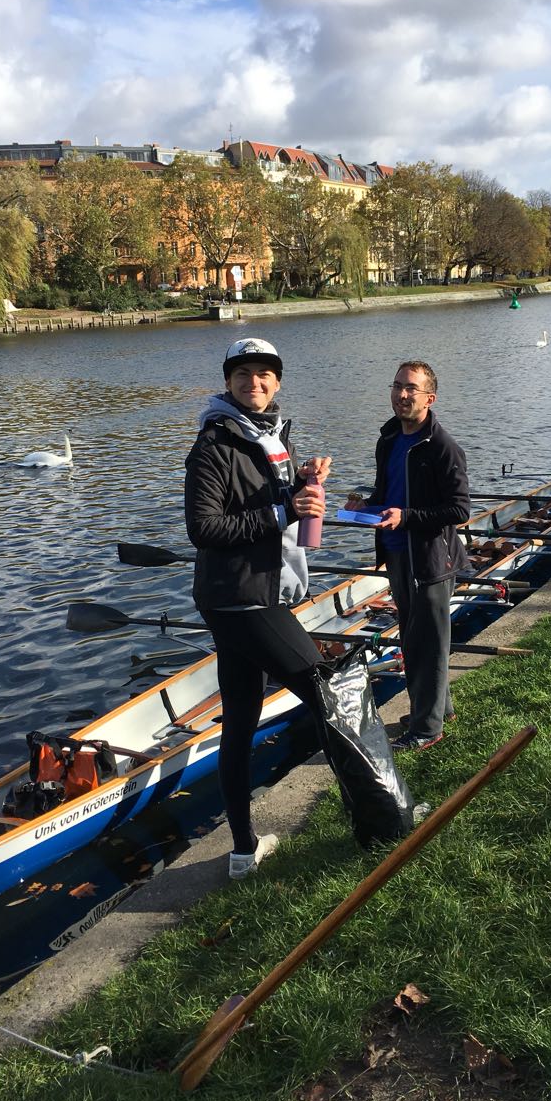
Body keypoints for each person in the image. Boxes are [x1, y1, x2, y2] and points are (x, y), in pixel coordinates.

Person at [184, 337, 331, 880]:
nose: (255, 382)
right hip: (239, 598)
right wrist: (284, 508)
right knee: (330, 694)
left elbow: (271, 504)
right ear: (228, 382)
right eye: (244, 374)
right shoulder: (214, 445)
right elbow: (204, 528)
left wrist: (305, 483)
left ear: (277, 382)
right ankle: (382, 811)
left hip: (254, 592)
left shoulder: (269, 436)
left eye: (265, 374)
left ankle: (244, 851)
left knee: (241, 720)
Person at [347, 361, 469, 751]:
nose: (402, 394)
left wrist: (408, 517)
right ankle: (439, 711)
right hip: (398, 555)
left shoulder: (443, 447)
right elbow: (388, 495)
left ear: (429, 398)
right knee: (415, 640)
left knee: (427, 646)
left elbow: (459, 510)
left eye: (411, 389)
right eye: (397, 386)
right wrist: (365, 506)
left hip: (431, 561)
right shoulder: (388, 440)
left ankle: (427, 730)